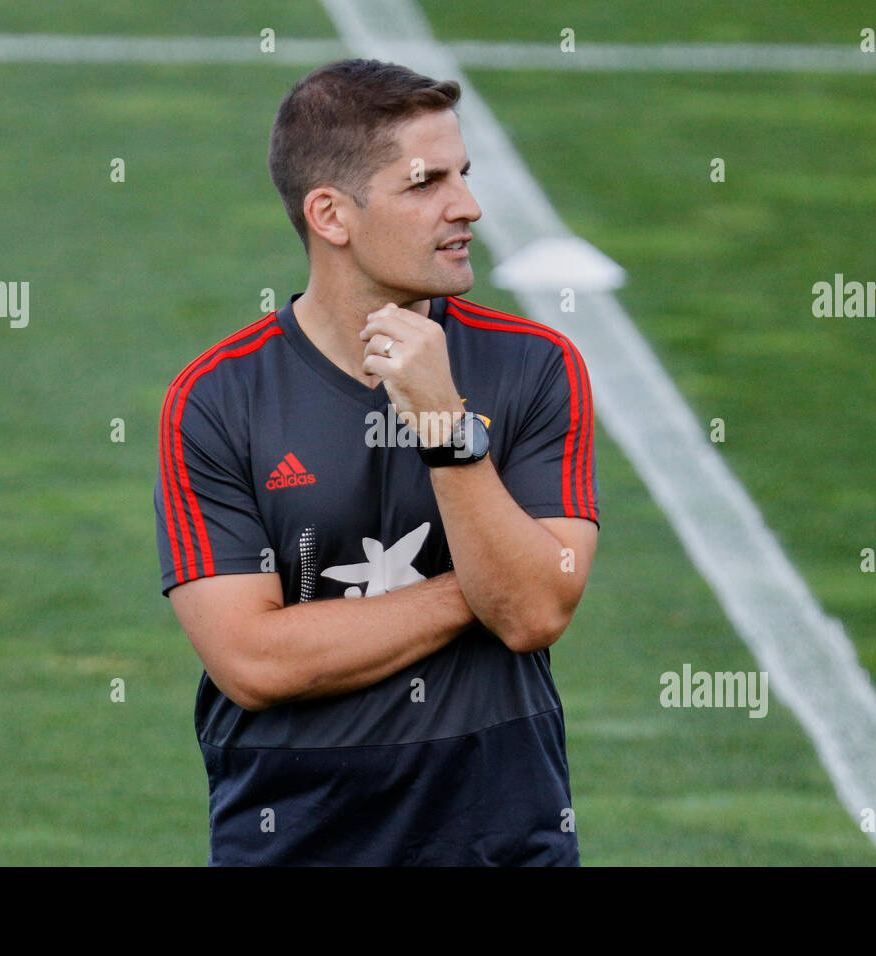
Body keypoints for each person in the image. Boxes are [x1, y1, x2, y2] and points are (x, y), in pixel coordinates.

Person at [154, 58, 599, 865]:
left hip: (500, 840)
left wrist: (443, 423)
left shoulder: (535, 367)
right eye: (425, 182)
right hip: (293, 842)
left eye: (464, 174)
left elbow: (534, 615)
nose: (467, 206)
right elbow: (253, 660)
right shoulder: (217, 400)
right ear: (331, 214)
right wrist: (484, 586)